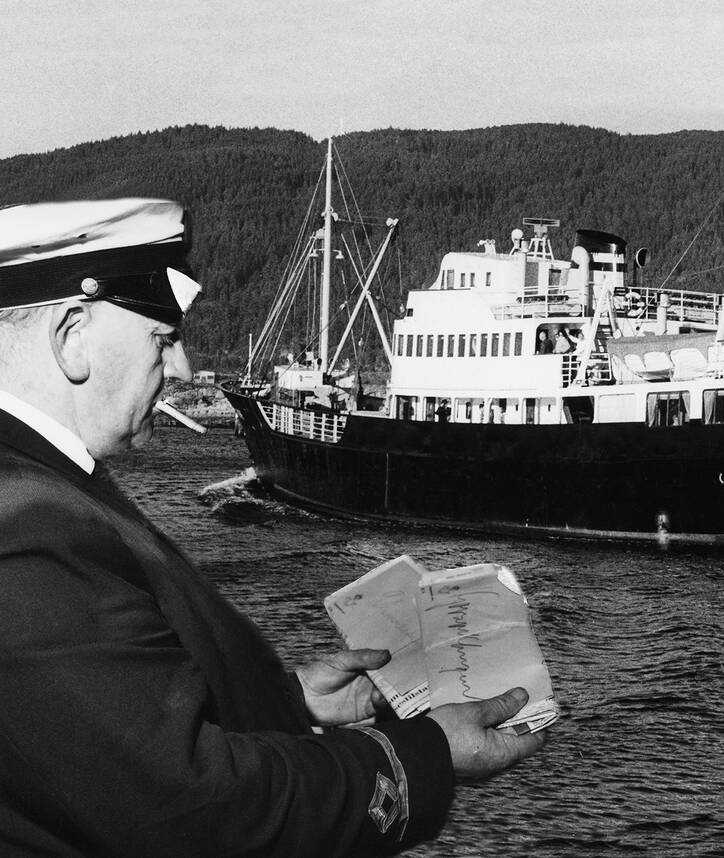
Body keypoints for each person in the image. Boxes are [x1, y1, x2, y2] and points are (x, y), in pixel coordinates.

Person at [0, 199, 544, 857]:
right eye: (163, 338)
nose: (183, 369)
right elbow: (185, 809)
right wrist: (422, 754)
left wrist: (286, 705)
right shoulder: (29, 528)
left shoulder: (49, 484)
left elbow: (98, 727)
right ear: (71, 337)